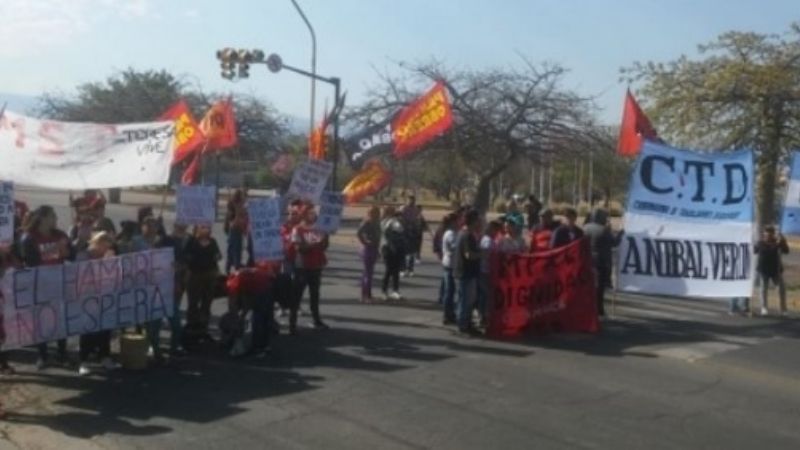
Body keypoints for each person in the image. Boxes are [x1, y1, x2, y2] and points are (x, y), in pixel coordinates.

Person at [19, 206, 72, 370]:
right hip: (39, 286)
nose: (56, 218)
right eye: (52, 215)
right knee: (41, 319)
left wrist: (68, 250)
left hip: (58, 283)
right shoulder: (29, 238)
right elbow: (31, 262)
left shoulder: (60, 235)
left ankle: (62, 354)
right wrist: (57, 249)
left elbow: (72, 254)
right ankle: (43, 355)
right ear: (42, 218)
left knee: (60, 320)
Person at [76, 232, 121, 376]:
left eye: (108, 245)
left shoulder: (109, 254)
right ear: (97, 242)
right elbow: (81, 274)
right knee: (87, 331)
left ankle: (105, 357)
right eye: (104, 244)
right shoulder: (83, 255)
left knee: (105, 329)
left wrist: (111, 262)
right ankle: (83, 361)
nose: (106, 247)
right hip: (87, 298)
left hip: (105, 297)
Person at [290, 206, 330, 332]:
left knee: (315, 294)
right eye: (310, 213)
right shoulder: (297, 229)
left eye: (314, 213)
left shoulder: (319, 229)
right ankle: (292, 324)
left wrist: (326, 237)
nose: (313, 215)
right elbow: (299, 248)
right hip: (302, 267)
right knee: (297, 295)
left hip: (316, 267)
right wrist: (314, 244)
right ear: (304, 215)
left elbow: (324, 247)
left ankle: (316, 320)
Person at [184, 225, 223, 344]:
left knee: (206, 303)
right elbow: (185, 256)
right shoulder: (191, 241)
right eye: (203, 227)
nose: (206, 229)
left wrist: (217, 256)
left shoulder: (213, 241)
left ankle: (203, 329)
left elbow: (219, 255)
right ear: (197, 229)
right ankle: (191, 329)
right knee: (193, 303)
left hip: (210, 275)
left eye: (208, 227)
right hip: (195, 275)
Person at [158, 223, 191, 355]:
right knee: (154, 324)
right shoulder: (166, 240)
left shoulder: (187, 240)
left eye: (183, 226)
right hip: (159, 287)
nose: (182, 228)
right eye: (179, 226)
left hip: (174, 284)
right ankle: (154, 348)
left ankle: (174, 348)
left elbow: (185, 262)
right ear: (174, 227)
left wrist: (181, 273)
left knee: (176, 324)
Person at [583, 209, 623, 317]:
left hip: (586, 261)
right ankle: (599, 309)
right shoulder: (603, 230)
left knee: (587, 287)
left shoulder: (585, 228)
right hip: (600, 262)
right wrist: (620, 233)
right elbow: (614, 243)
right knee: (599, 288)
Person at [453, 209, 483, 334]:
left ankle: (465, 322)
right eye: (477, 220)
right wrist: (482, 254)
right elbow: (468, 254)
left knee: (466, 299)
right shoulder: (467, 235)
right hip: (466, 272)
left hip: (464, 272)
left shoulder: (464, 233)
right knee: (466, 300)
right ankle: (464, 324)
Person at [755, 225, 789, 316]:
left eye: (770, 233)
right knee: (763, 289)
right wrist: (777, 244)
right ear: (764, 234)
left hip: (776, 270)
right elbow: (765, 251)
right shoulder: (761, 243)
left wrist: (783, 240)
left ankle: (783, 309)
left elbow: (786, 251)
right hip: (763, 269)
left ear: (773, 234)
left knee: (781, 289)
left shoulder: (777, 242)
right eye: (766, 232)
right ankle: (764, 307)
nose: (768, 235)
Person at [477, 220, 503, 326]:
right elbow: (487, 254)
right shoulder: (488, 241)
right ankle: (483, 316)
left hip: (486, 271)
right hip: (485, 271)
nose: (496, 232)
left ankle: (483, 316)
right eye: (495, 230)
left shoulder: (488, 239)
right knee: (486, 296)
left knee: (484, 296)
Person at [381, 206, 406, 301]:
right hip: (388, 248)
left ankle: (395, 290)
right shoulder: (386, 222)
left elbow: (400, 229)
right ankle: (384, 291)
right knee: (388, 270)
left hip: (396, 248)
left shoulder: (394, 221)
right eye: (392, 211)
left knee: (396, 270)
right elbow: (398, 229)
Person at [357, 206, 382, 303]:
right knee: (367, 273)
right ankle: (365, 296)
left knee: (369, 273)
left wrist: (378, 250)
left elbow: (378, 237)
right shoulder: (366, 222)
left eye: (378, 212)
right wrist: (365, 241)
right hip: (367, 249)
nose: (378, 214)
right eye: (375, 212)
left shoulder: (377, 222)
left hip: (374, 248)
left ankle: (368, 294)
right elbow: (359, 233)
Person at [225, 189, 249, 273]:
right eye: (243, 196)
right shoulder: (234, 207)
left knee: (236, 251)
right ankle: (232, 269)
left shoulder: (242, 206)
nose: (245, 198)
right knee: (234, 252)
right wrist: (238, 212)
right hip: (234, 231)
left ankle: (233, 268)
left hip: (239, 231)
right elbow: (232, 223)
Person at [440, 213, 459, 323]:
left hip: (451, 264)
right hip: (449, 264)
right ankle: (447, 314)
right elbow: (453, 247)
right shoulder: (450, 233)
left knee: (450, 290)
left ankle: (450, 313)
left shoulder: (454, 233)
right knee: (449, 291)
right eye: (457, 221)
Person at [400, 195, 422, 277]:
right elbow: (400, 219)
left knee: (412, 252)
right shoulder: (403, 208)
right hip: (404, 231)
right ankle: (402, 269)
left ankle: (410, 269)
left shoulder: (416, 210)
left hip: (413, 232)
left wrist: (416, 227)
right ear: (407, 200)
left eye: (413, 201)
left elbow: (418, 220)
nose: (411, 202)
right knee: (403, 252)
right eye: (410, 200)